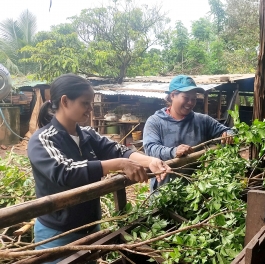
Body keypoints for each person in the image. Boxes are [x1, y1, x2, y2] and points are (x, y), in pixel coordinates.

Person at [27, 73, 171, 263]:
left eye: (91, 103)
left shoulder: (87, 134)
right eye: (85, 103)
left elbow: (117, 150)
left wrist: (150, 161)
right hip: (58, 233)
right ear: (65, 101)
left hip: (90, 226)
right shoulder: (43, 139)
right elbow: (65, 171)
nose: (90, 109)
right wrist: (118, 165)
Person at [143, 75, 233, 191]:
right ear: (172, 95)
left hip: (195, 191)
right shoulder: (155, 121)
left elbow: (229, 131)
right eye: (186, 97)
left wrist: (228, 134)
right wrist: (174, 151)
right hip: (164, 191)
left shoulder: (202, 120)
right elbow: (151, 149)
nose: (190, 102)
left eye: (194, 98)